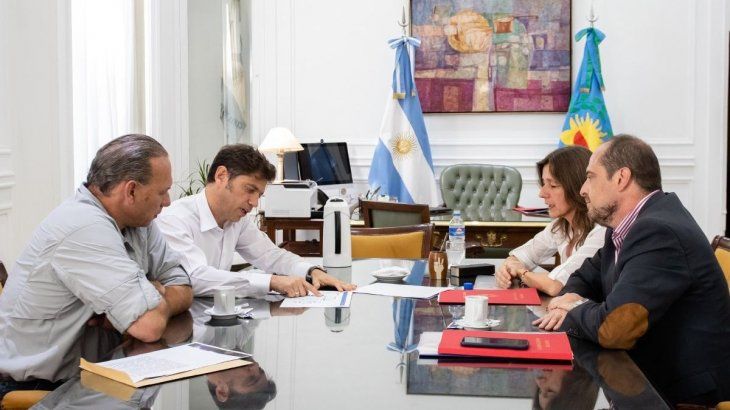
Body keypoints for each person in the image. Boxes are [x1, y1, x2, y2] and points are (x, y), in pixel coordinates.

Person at [534, 135, 730, 406]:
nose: (582, 190)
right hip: (641, 375)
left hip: (681, 396)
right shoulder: (624, 226)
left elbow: (614, 329)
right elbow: (583, 277)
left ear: (621, 178)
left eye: (590, 177)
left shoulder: (658, 232)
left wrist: (573, 307)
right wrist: (568, 300)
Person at [0, 134, 192, 399]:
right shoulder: (83, 227)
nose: (168, 201)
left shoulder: (139, 222)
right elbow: (149, 326)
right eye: (162, 192)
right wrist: (153, 296)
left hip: (99, 375)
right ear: (131, 191)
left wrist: (153, 298)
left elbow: (182, 283)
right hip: (41, 390)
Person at [156, 144, 355, 299]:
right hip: (181, 327)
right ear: (221, 176)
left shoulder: (236, 220)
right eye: (250, 190)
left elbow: (270, 255)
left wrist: (311, 271)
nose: (254, 202)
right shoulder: (175, 219)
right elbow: (195, 277)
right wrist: (272, 282)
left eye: (259, 194)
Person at [496, 146, 605, 296]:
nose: (542, 193)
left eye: (553, 185)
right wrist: (507, 268)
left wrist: (521, 272)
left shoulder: (601, 231)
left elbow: (555, 286)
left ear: (578, 187)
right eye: (543, 184)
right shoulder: (560, 226)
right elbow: (521, 256)